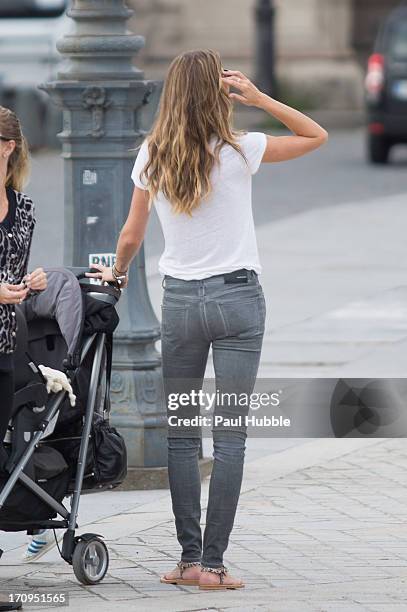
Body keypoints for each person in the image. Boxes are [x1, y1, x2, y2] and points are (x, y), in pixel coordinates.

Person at [87, 49, 328, 590]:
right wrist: (259, 96)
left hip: (180, 304)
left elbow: (130, 235)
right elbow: (316, 136)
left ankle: (188, 560)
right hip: (239, 301)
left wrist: (120, 275)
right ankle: (215, 567)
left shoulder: (153, 154)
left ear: (171, 92)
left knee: (180, 438)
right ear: (219, 90)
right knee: (232, 438)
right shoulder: (241, 149)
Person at [0, 106, 49, 580]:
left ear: (8, 146)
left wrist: (28, 282)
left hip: (5, 343)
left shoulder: (25, 208)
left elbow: (14, 272)